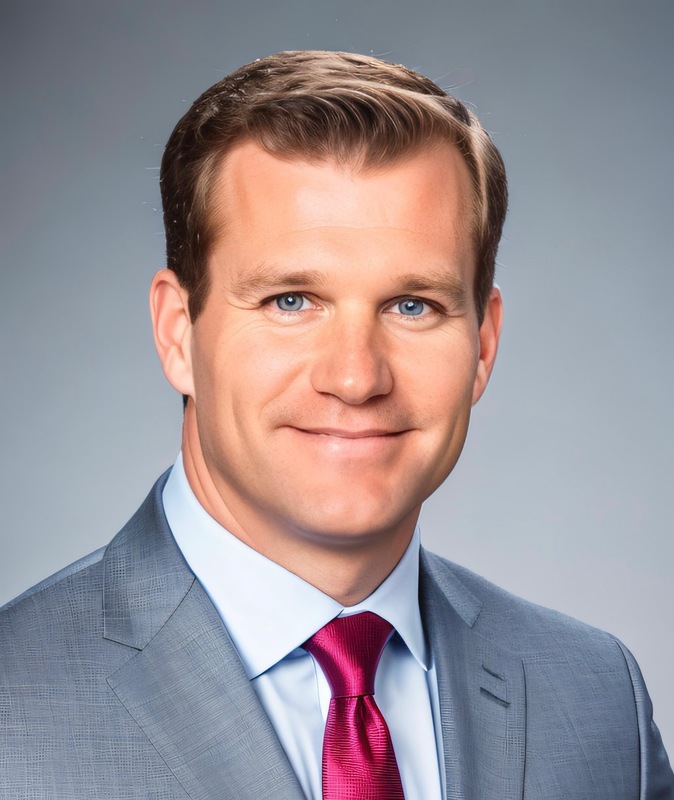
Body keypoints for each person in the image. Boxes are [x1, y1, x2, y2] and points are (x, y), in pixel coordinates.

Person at [0, 50, 671, 800]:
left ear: (482, 344)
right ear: (177, 332)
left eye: (413, 306)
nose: (355, 378)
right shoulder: (13, 706)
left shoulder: (595, 699)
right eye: (290, 301)